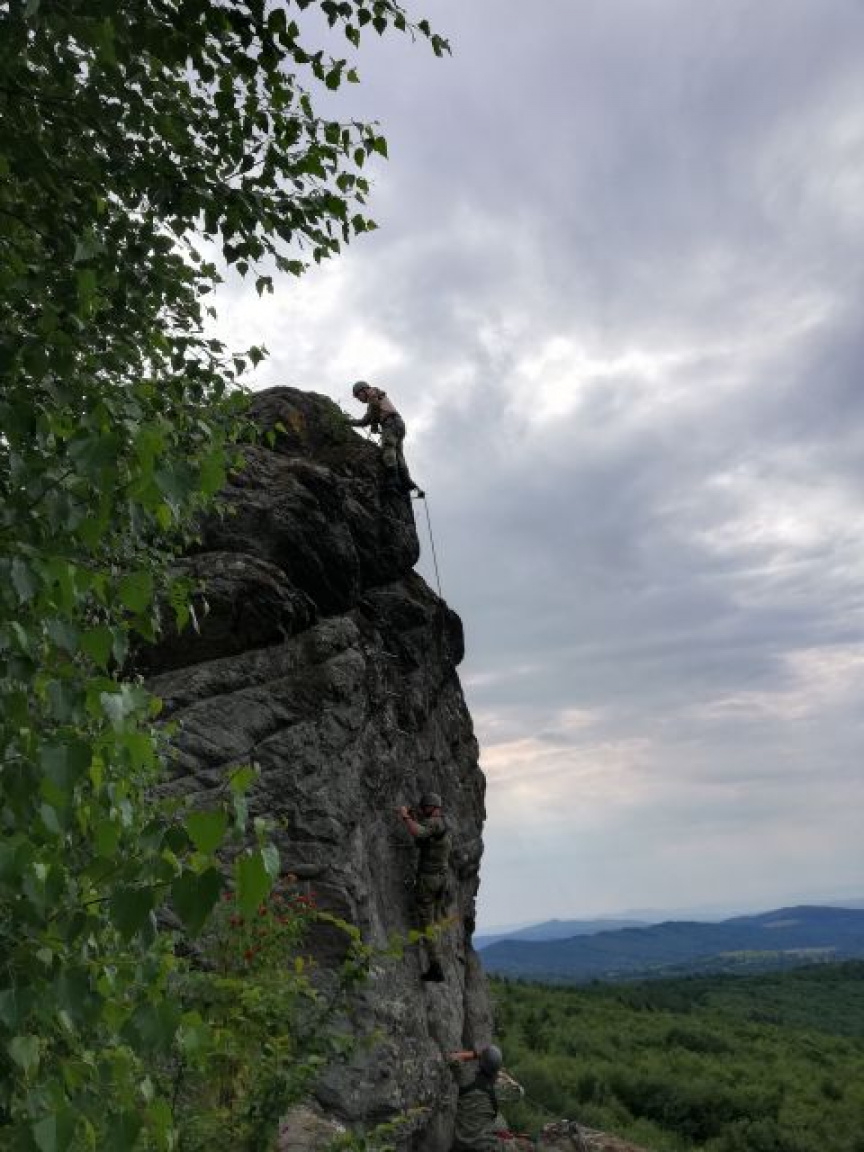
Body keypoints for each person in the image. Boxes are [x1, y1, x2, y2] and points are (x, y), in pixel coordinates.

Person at [397, 791, 451, 982]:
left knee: (427, 925)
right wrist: (414, 819)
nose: (422, 811)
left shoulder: (433, 823)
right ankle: (437, 958)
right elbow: (424, 838)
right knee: (434, 923)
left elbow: (419, 832)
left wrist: (405, 817)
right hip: (441, 880)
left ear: (431, 807)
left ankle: (435, 967)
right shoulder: (443, 823)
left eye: (424, 808)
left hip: (429, 881)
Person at [349, 380, 424, 497]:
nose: (359, 399)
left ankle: (393, 480)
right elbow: (365, 420)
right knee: (398, 454)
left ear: (363, 390)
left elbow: (373, 409)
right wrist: (350, 422)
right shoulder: (376, 398)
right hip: (398, 424)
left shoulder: (372, 393)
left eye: (358, 396)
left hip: (390, 423)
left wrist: (374, 424)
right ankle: (406, 481)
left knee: (387, 448)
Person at [447, 1046, 523, 1151]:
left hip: (460, 1142)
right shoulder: (498, 1088)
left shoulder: (466, 1077)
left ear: (481, 1062)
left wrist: (476, 1054)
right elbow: (519, 1092)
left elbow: (452, 1058)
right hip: (483, 1146)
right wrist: (505, 1077)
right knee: (512, 1146)